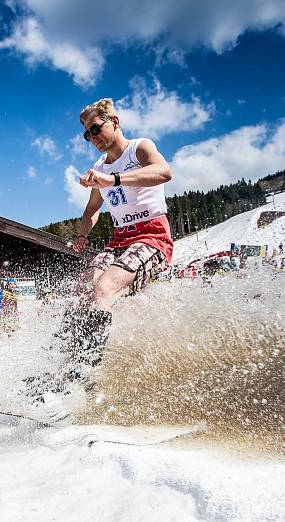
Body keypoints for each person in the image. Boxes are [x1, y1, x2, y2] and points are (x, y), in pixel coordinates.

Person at [40, 98, 174, 395]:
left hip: (153, 237)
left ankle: (83, 378)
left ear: (114, 122)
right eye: (87, 135)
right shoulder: (99, 167)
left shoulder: (139, 147)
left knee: (104, 288)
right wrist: (82, 234)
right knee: (82, 287)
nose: (93, 138)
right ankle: (56, 369)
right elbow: (92, 209)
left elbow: (164, 172)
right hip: (120, 239)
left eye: (96, 129)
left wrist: (112, 179)